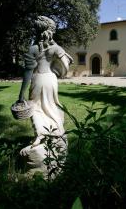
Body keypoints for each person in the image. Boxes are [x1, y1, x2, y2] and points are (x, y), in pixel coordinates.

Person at [17, 16, 73, 172]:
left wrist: (21, 94)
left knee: (35, 107)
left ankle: (40, 134)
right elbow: (66, 65)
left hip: (38, 79)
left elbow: (28, 72)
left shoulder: (33, 48)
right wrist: (58, 70)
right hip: (51, 79)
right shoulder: (56, 47)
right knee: (52, 106)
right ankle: (56, 132)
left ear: (37, 30)